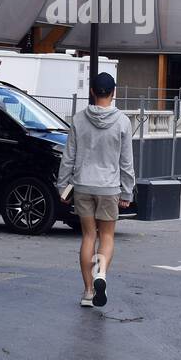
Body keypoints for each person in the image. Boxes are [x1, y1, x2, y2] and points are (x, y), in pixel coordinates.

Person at [56, 72, 134, 309]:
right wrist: (127, 191)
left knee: (89, 236)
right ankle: (101, 274)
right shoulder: (122, 121)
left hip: (82, 186)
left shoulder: (79, 119)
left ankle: (88, 291)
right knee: (107, 236)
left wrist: (62, 186)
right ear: (114, 92)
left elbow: (68, 156)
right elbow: (126, 161)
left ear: (91, 91)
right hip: (109, 187)